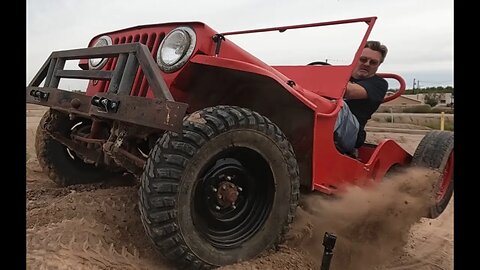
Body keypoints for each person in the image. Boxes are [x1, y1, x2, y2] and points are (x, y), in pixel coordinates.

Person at [334, 40, 388, 155]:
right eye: (363, 59)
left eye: (373, 62)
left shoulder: (379, 84)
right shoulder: (340, 76)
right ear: (356, 58)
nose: (367, 64)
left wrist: (320, 80)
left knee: (337, 105)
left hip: (350, 133)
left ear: (378, 65)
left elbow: (350, 92)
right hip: (325, 120)